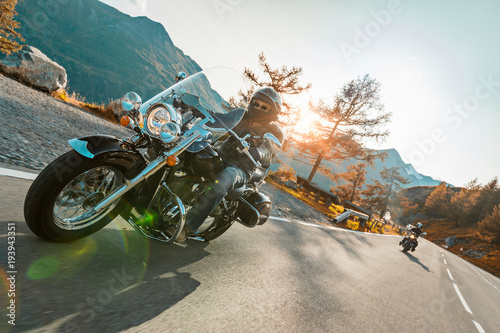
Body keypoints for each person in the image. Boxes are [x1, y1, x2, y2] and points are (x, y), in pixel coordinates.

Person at [175, 87, 285, 245]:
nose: (258, 108)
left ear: (272, 111)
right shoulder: (240, 114)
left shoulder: (275, 131)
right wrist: (195, 108)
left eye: (264, 107)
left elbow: (269, 151)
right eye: (256, 104)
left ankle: (187, 227)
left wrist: (259, 153)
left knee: (224, 179)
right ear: (251, 102)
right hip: (221, 155)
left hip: (241, 169)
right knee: (190, 152)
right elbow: (217, 119)